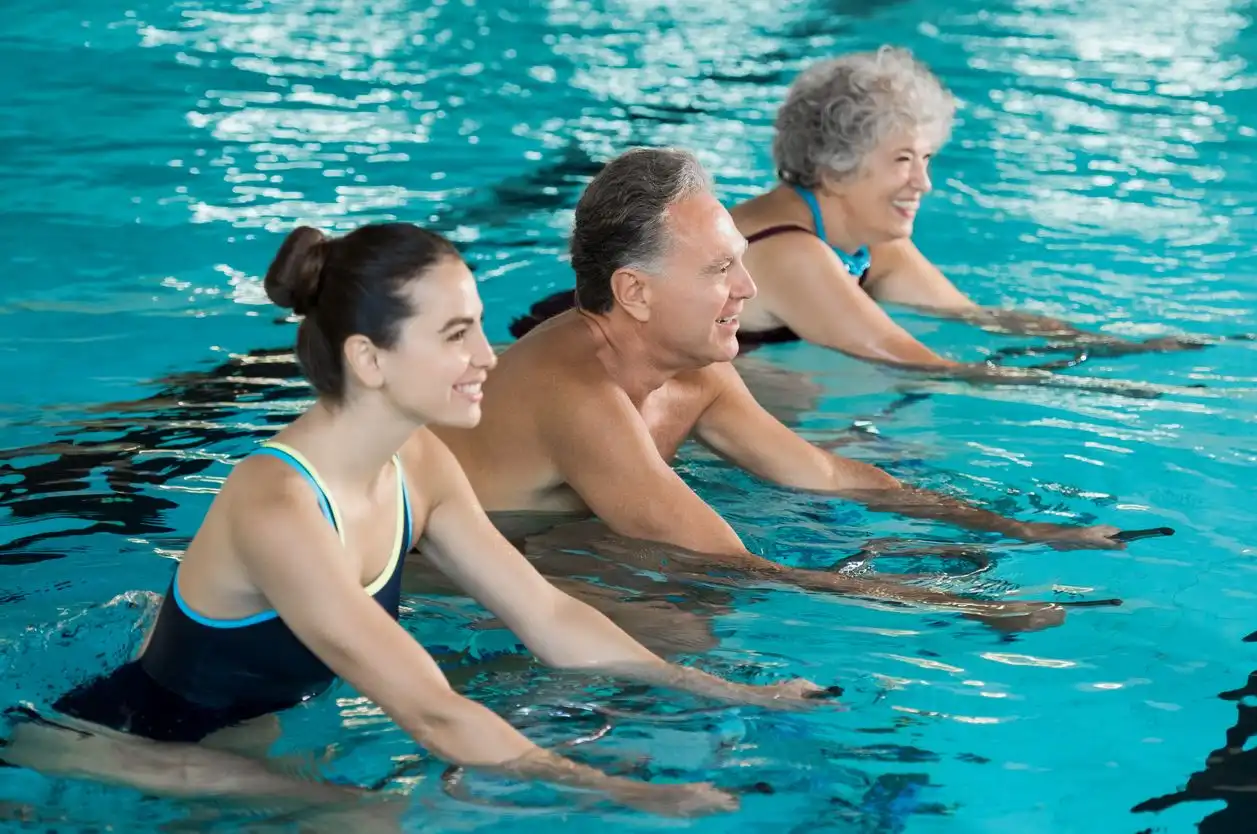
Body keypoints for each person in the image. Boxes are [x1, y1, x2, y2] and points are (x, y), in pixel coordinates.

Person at [2, 221, 842, 821]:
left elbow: (547, 615)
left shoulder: (419, 462)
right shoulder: (281, 504)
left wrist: (727, 689)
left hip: (258, 729)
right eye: (456, 334)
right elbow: (430, 711)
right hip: (125, 744)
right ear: (369, 360)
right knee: (374, 816)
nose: (488, 357)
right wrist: (619, 791)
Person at [433, 147, 1138, 631]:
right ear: (635, 293)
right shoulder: (576, 392)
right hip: (430, 573)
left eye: (740, 264)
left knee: (674, 604)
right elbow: (727, 562)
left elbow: (824, 472)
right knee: (682, 623)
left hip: (547, 541)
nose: (746, 288)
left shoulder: (695, 367)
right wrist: (948, 604)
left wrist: (1019, 528)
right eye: (718, 270)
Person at [508, 48, 1203, 376]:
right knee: (787, 401)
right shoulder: (788, 252)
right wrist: (1099, 395)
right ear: (838, 163)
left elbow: (981, 322)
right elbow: (917, 360)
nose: (923, 183)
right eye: (903, 160)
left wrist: (1132, 344)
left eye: (925, 159)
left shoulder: (870, 240)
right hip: (578, 355)